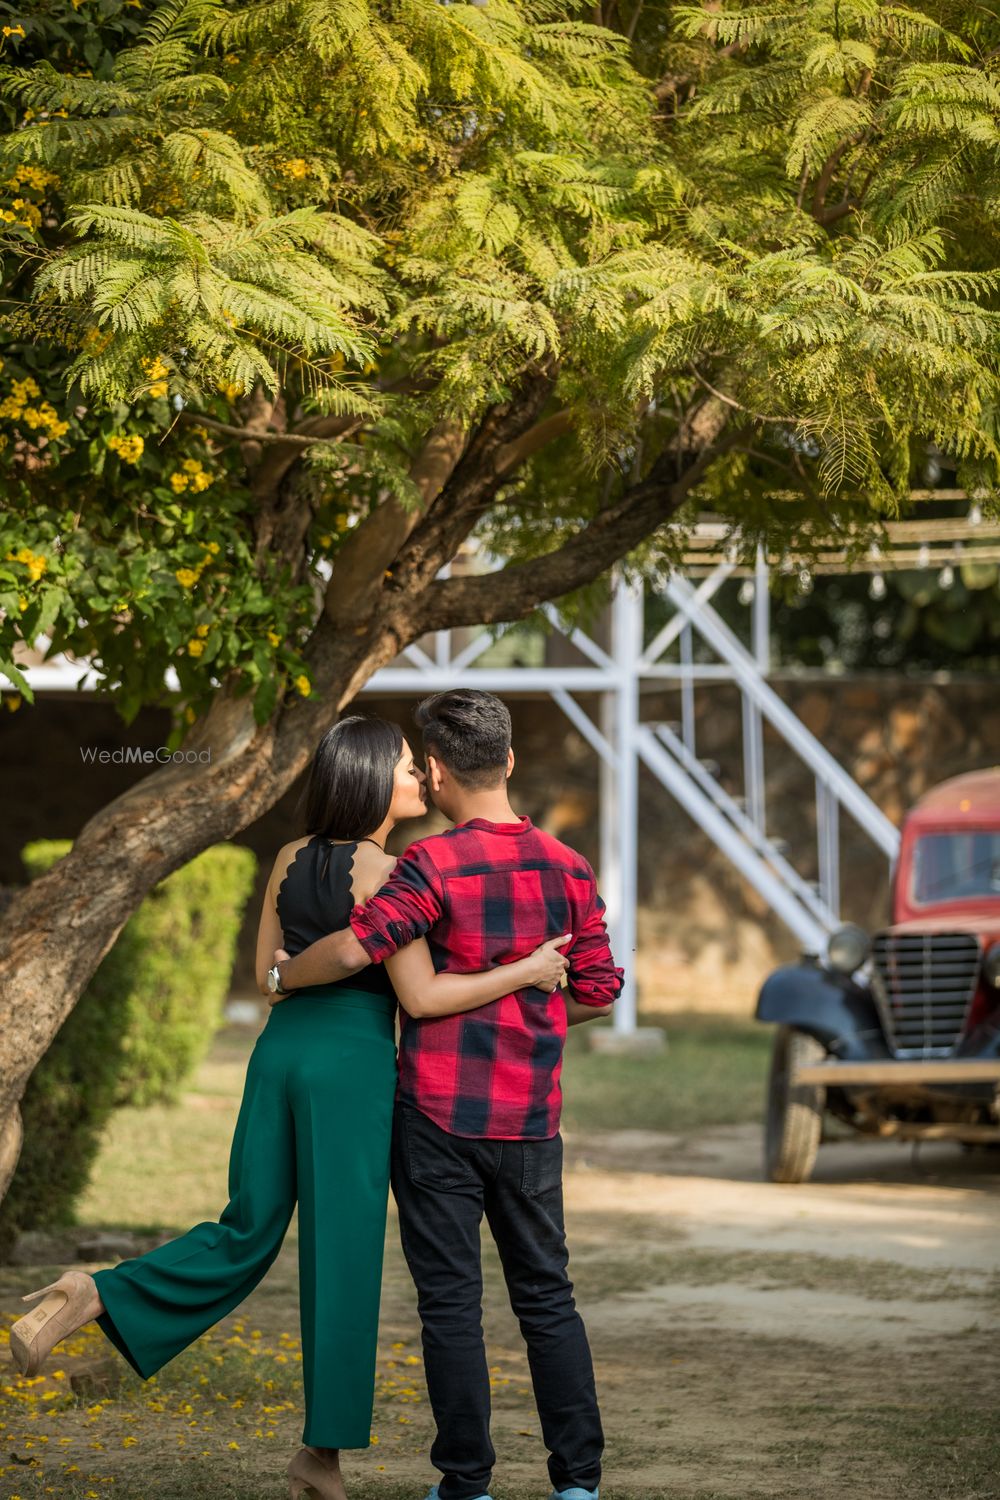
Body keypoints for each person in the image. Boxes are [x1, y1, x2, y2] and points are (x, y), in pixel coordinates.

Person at [8, 715, 571, 1500]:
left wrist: (283, 981)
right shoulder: (394, 869)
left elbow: (267, 968)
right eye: (408, 768)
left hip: (278, 1056)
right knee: (341, 1261)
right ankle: (321, 1458)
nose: (421, 779)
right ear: (374, 780)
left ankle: (100, 1291)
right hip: (353, 1064)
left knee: (247, 1226)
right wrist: (526, 972)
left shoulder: (286, 858)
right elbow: (419, 994)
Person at [273, 690, 624, 1500]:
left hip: (434, 1117)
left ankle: (466, 1484)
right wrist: (534, 991)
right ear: (509, 761)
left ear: (433, 772)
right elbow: (600, 989)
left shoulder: (430, 865)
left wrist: (283, 975)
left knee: (451, 1307)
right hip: (531, 1122)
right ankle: (578, 1484)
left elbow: (361, 946)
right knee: (547, 1299)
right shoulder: (569, 867)